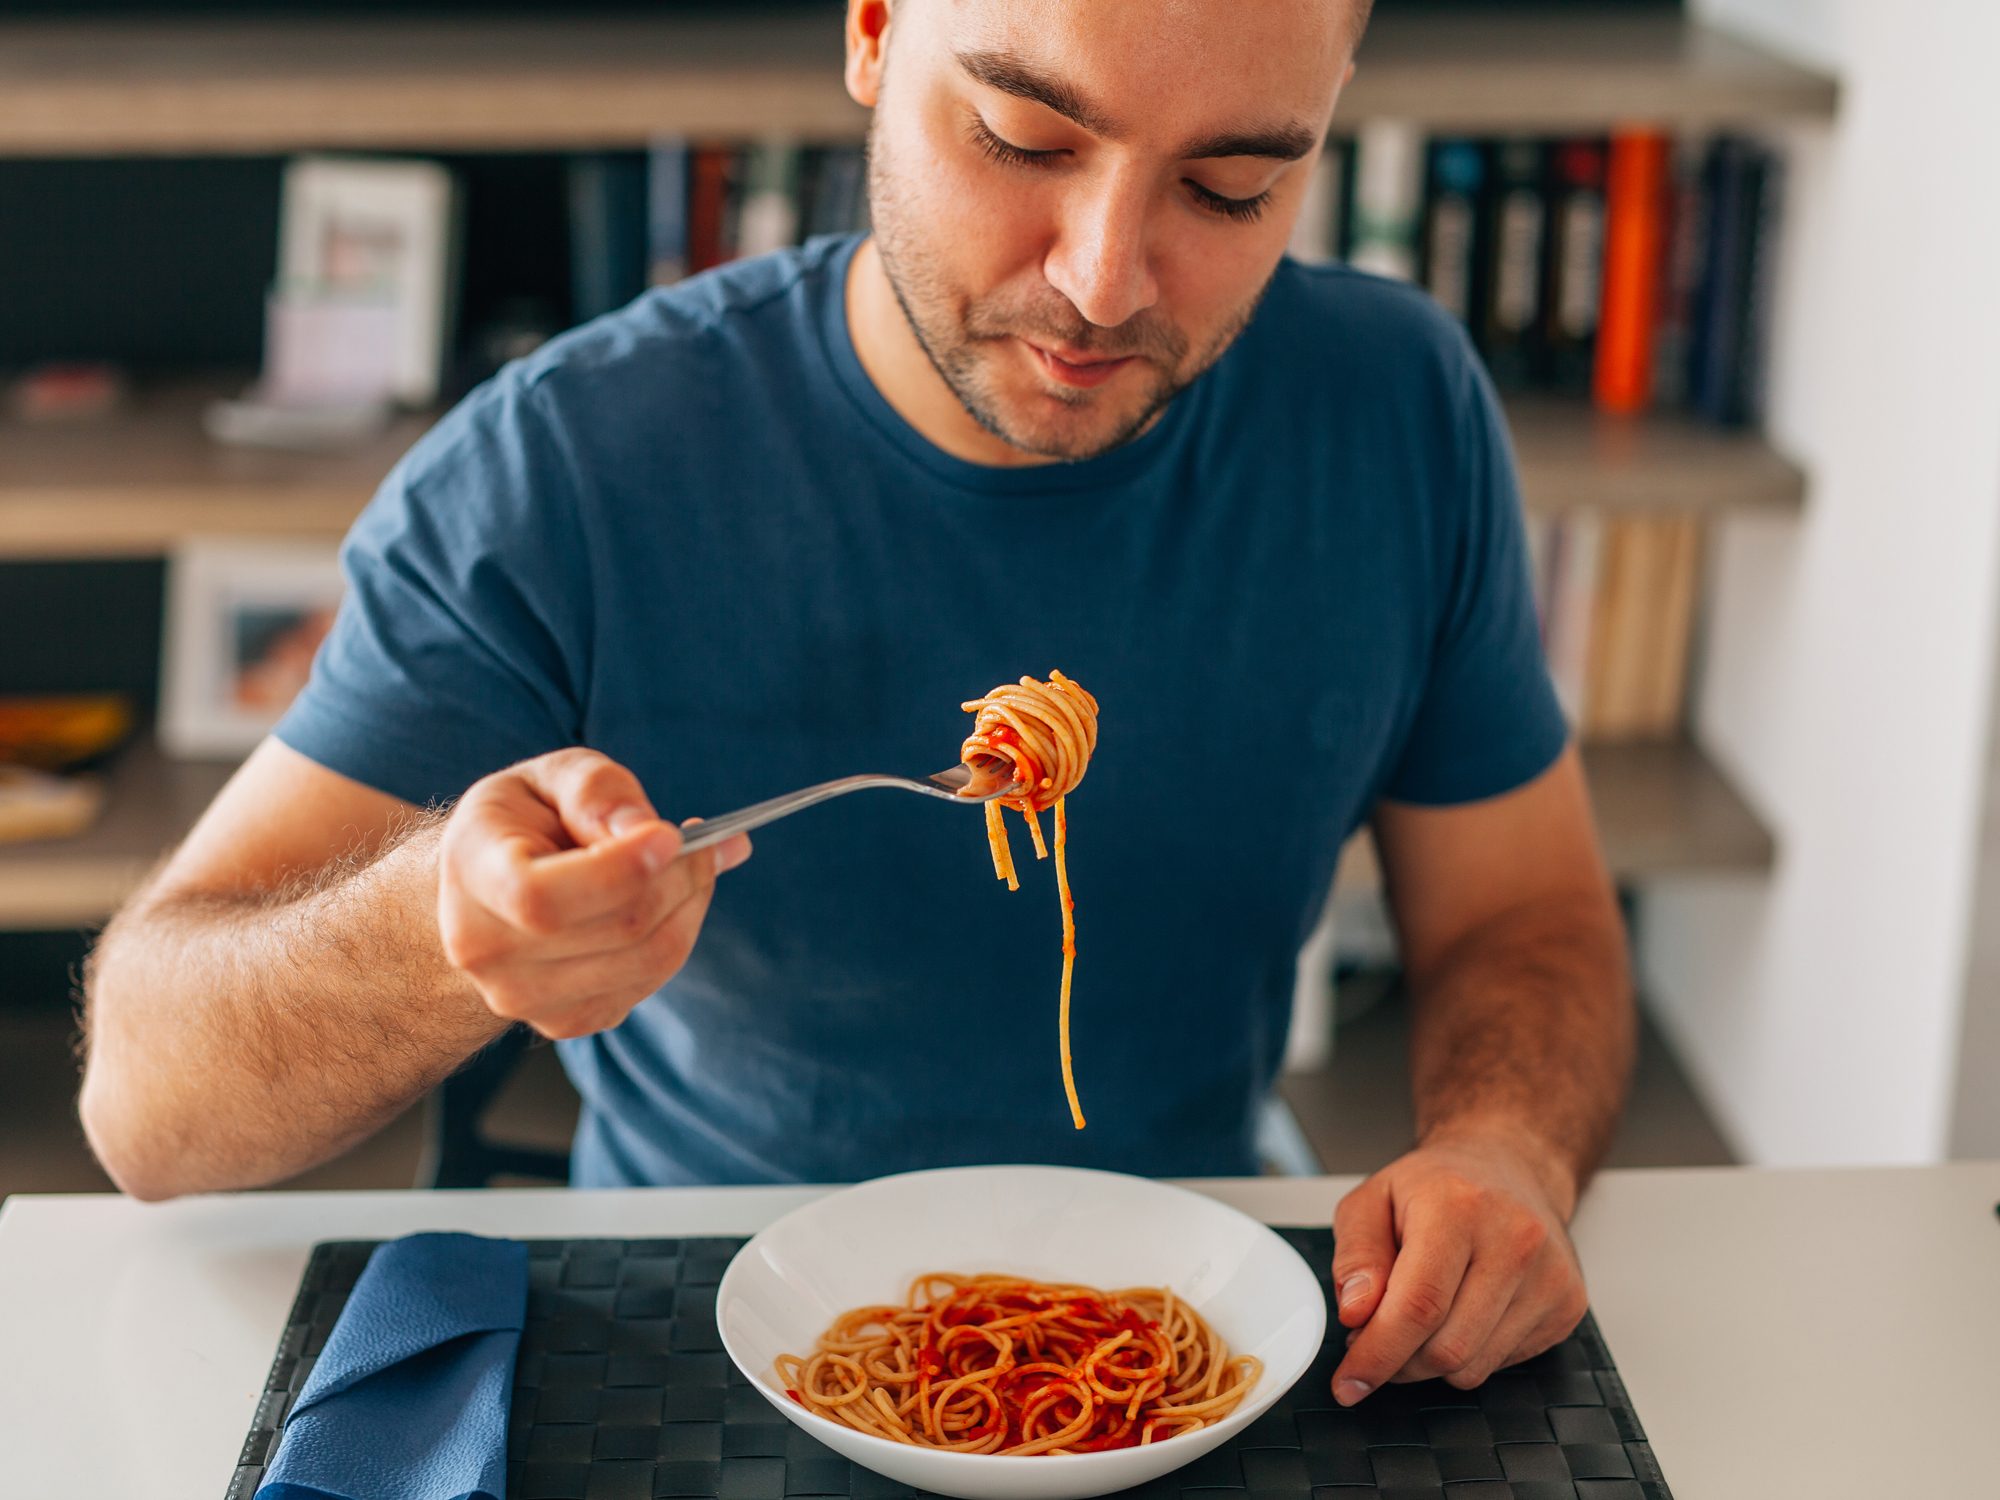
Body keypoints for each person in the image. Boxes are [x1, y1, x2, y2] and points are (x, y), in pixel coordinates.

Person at [81, 0, 1632, 1408]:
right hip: (702, 1335)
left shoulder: (1395, 412)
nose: (1102, 280)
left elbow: (1527, 918)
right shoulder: (569, 471)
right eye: (1025, 138)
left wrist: (1504, 1148)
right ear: (875, 33)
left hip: (1196, 1318)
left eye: (1230, 185)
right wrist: (441, 929)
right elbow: (147, 1112)